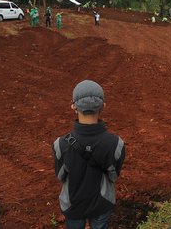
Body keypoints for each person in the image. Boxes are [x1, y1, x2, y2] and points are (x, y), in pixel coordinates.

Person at [53, 80, 126, 229]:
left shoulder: (60, 144)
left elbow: (61, 176)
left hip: (73, 205)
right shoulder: (116, 143)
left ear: (73, 106)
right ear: (103, 106)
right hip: (102, 203)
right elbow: (113, 176)